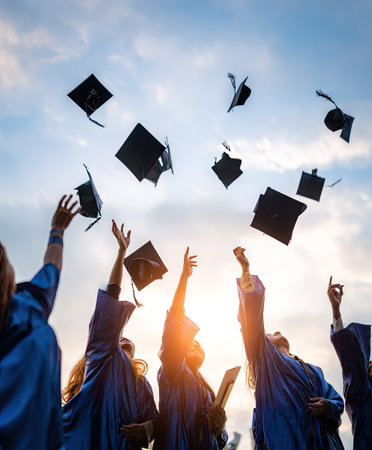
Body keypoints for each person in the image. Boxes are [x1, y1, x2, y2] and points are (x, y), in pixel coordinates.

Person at [233, 246, 344, 449]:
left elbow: (337, 400)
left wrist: (329, 406)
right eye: (269, 334)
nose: (276, 331)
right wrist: (246, 270)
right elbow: (252, 321)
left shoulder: (313, 370)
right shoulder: (266, 362)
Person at [62, 220, 159, 450]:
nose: (124, 340)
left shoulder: (140, 384)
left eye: (129, 344)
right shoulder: (99, 358)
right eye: (119, 338)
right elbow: (110, 299)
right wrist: (121, 252)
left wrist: (148, 428)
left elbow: (156, 420)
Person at [0, 194, 80, 449]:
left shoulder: (27, 306)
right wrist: (57, 231)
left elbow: (50, 271)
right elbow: (51, 269)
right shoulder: (28, 310)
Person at [154, 247, 228, 450]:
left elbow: (220, 441)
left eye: (199, 344)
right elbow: (174, 329)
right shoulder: (174, 371)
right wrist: (184, 278)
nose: (195, 343)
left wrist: (220, 425)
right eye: (189, 343)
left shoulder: (208, 393)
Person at [327, 277, 372, 449]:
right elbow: (350, 357)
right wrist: (336, 309)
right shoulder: (362, 396)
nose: (371, 364)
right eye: (368, 364)